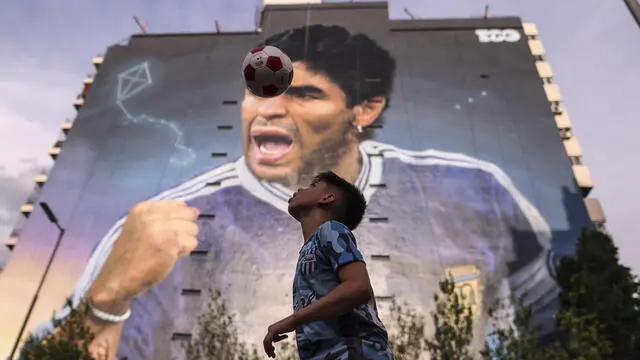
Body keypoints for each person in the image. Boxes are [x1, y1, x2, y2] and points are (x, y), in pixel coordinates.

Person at [26, 24, 559, 359]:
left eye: (304, 93)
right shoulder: (156, 229)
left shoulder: (477, 190)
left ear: (364, 110)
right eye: (259, 91)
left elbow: (562, 324)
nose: (270, 108)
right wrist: (107, 303)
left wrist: (291, 322)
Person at [262, 171, 392, 359]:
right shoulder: (309, 250)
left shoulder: (331, 229)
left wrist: (292, 321)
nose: (300, 189)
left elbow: (359, 287)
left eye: (313, 186)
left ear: (328, 197)